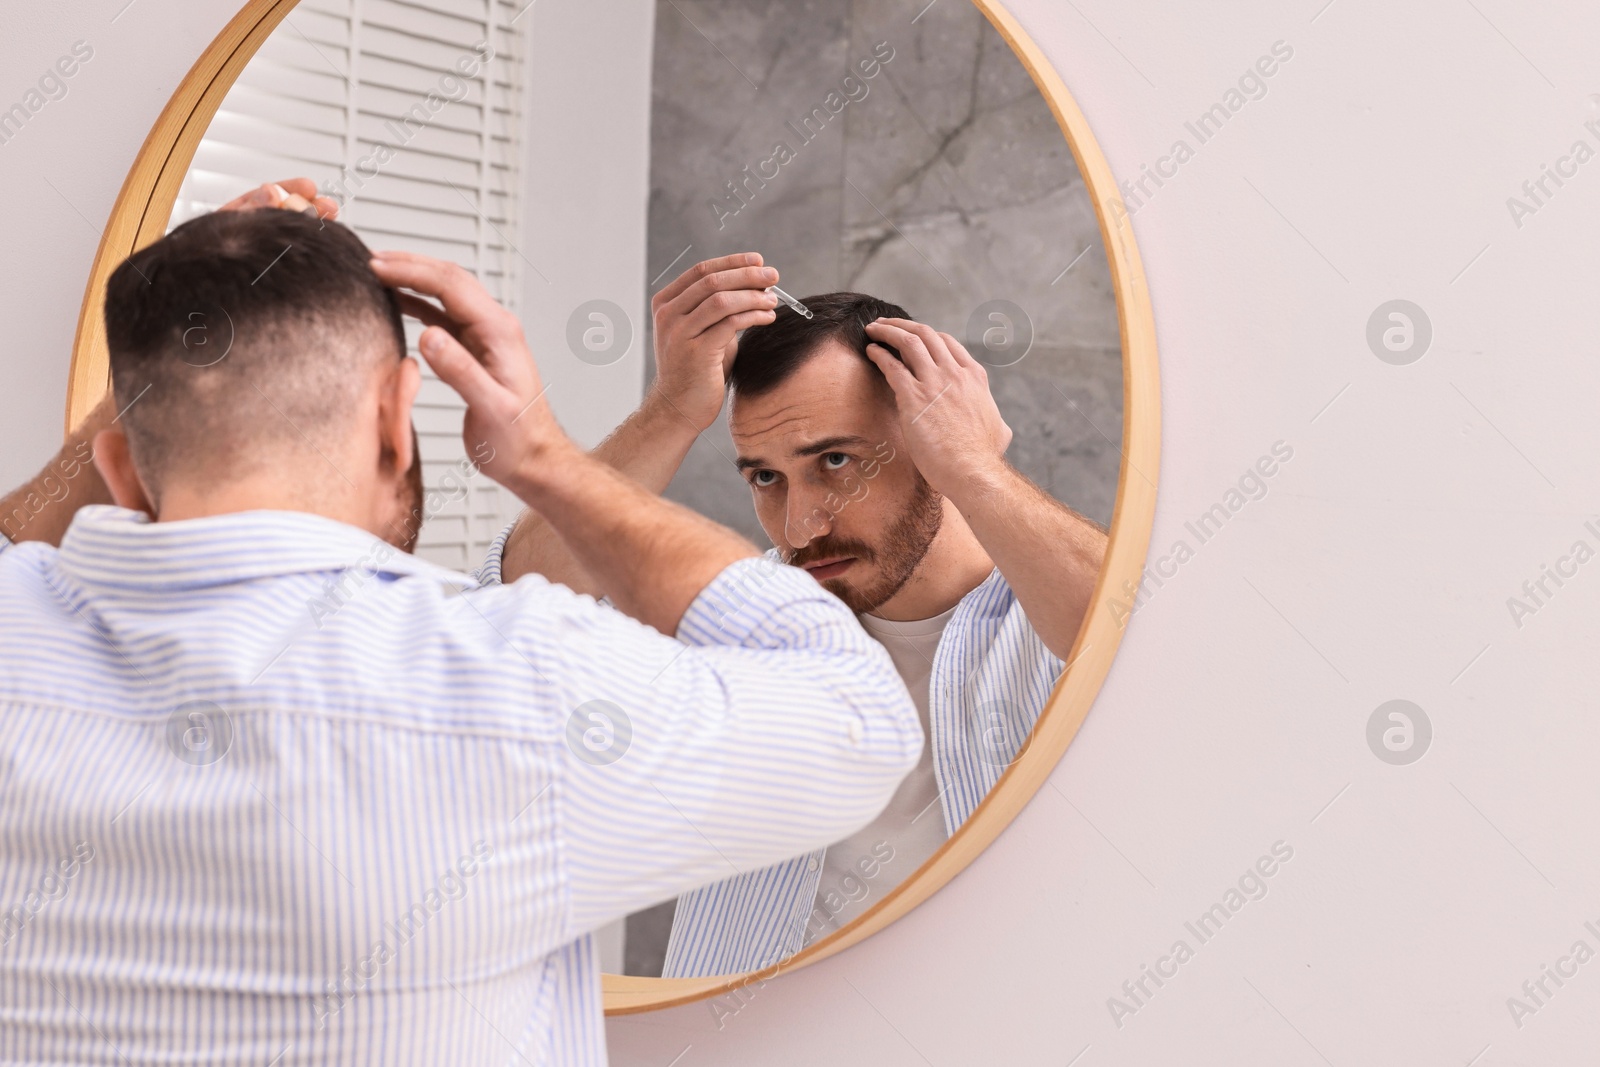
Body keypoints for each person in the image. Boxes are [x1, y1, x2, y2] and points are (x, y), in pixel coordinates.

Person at [0, 209, 921, 1063]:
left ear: (113, 459)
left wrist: (191, 318)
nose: (798, 523)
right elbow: (859, 715)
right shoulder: (516, 686)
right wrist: (544, 457)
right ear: (396, 422)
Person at [491, 257, 1109, 976]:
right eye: (765, 476)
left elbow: (1154, 639)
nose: (802, 523)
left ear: (929, 435)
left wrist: (974, 468)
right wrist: (672, 410)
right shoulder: (740, 615)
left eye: (837, 461)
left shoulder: (1044, 614)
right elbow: (509, 612)